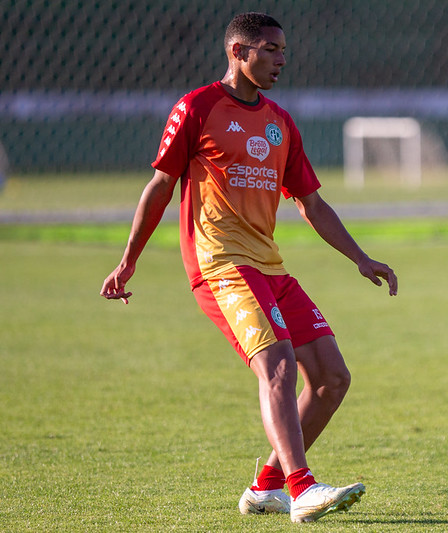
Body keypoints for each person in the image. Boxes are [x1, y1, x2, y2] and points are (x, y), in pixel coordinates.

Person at [100, 12, 398, 524]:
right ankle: (302, 489)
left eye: (284, 50)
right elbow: (160, 186)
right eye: (271, 50)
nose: (282, 59)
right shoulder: (197, 107)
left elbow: (312, 204)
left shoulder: (280, 121)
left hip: (271, 267)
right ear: (238, 52)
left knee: (330, 379)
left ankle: (267, 488)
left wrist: (360, 258)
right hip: (220, 265)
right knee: (278, 364)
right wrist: (128, 261)